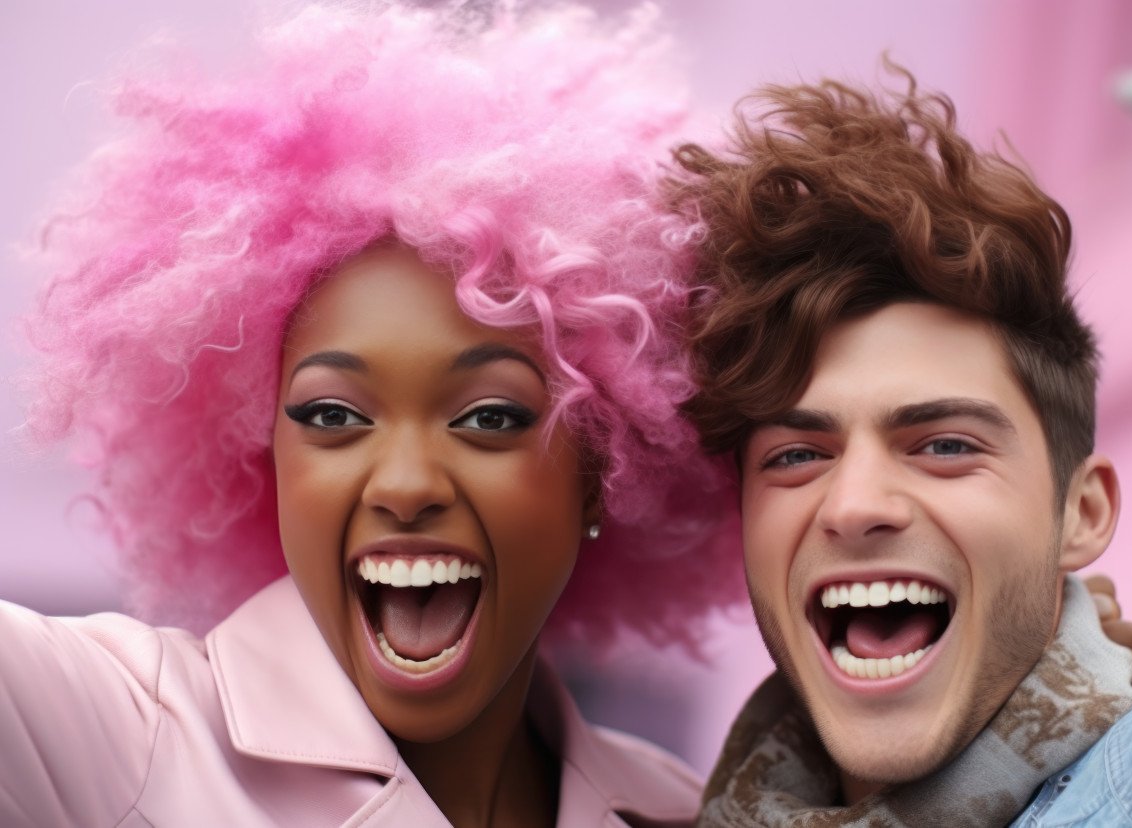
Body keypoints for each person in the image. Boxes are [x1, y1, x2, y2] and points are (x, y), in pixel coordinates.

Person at [1, 4, 743, 826]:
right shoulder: (110, 737)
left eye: (490, 418)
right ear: (264, 456)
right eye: (332, 415)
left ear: (601, 473)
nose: (405, 484)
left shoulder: (683, 812)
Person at [671, 5, 1132, 824]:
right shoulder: (661, 805)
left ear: (1082, 511)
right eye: (795, 456)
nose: (854, 507)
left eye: (945, 445)